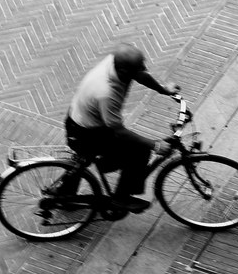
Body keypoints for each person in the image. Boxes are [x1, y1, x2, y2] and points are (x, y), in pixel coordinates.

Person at [64, 43, 179, 212]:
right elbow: (119, 131)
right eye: (138, 68)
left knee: (84, 159)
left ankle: (65, 195)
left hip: (79, 118)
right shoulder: (106, 92)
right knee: (140, 152)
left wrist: (162, 89)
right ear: (125, 71)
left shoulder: (115, 62)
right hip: (87, 133)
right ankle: (121, 199)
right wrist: (155, 145)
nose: (144, 69)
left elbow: (139, 74)